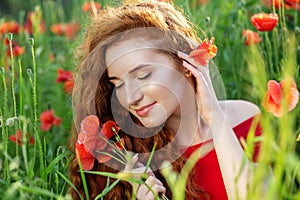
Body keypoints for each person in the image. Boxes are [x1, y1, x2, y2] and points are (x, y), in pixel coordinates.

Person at [69, 1, 268, 199]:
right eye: (118, 84)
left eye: (144, 75)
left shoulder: (246, 119)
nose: (131, 98)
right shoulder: (129, 156)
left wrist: (214, 115)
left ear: (185, 63)